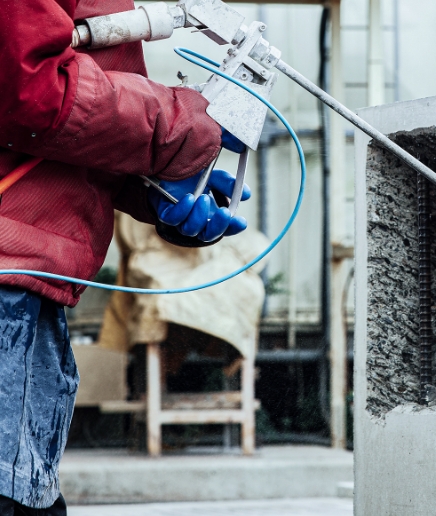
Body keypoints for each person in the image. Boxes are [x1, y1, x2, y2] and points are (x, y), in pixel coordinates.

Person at [0, 0, 249, 513]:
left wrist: (151, 189)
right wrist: (184, 127)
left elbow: (60, 130)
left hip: (24, 274)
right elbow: (30, 86)